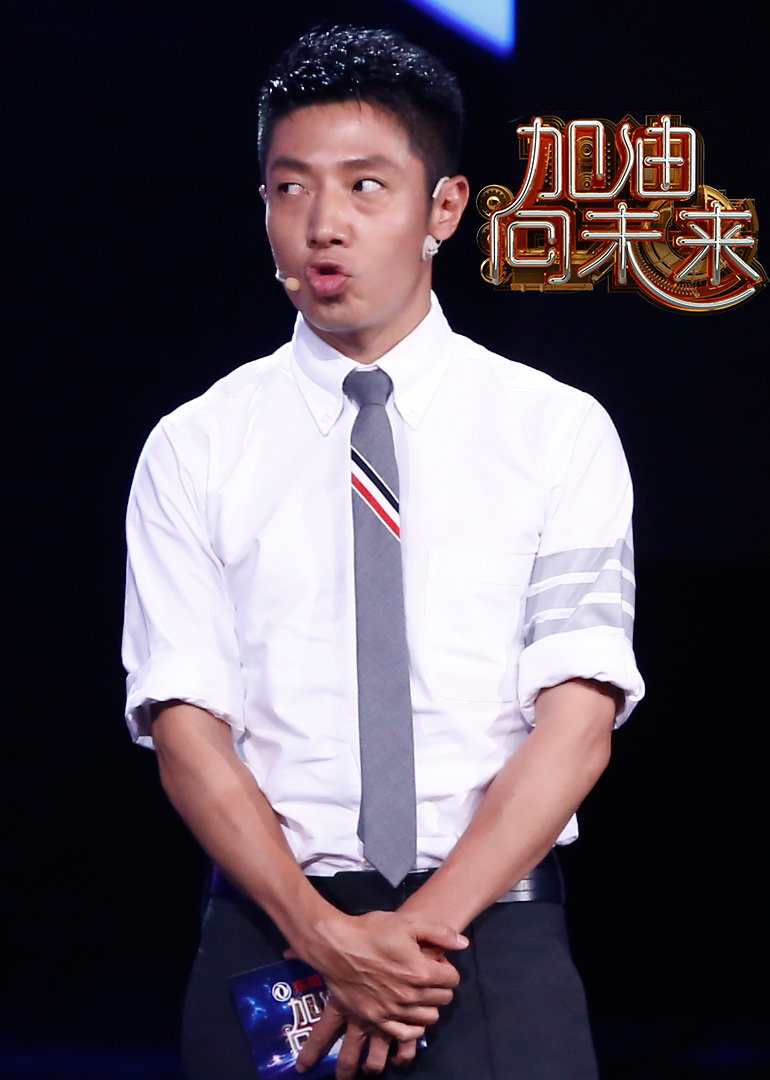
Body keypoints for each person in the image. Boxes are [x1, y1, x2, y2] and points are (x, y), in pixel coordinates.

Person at [123, 25, 644, 1080]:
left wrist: (405, 944)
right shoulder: (196, 445)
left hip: (491, 937)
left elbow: (578, 719)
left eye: (366, 187)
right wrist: (324, 937)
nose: (323, 224)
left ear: (442, 209)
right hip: (273, 936)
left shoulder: (555, 429)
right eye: (290, 189)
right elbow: (184, 725)